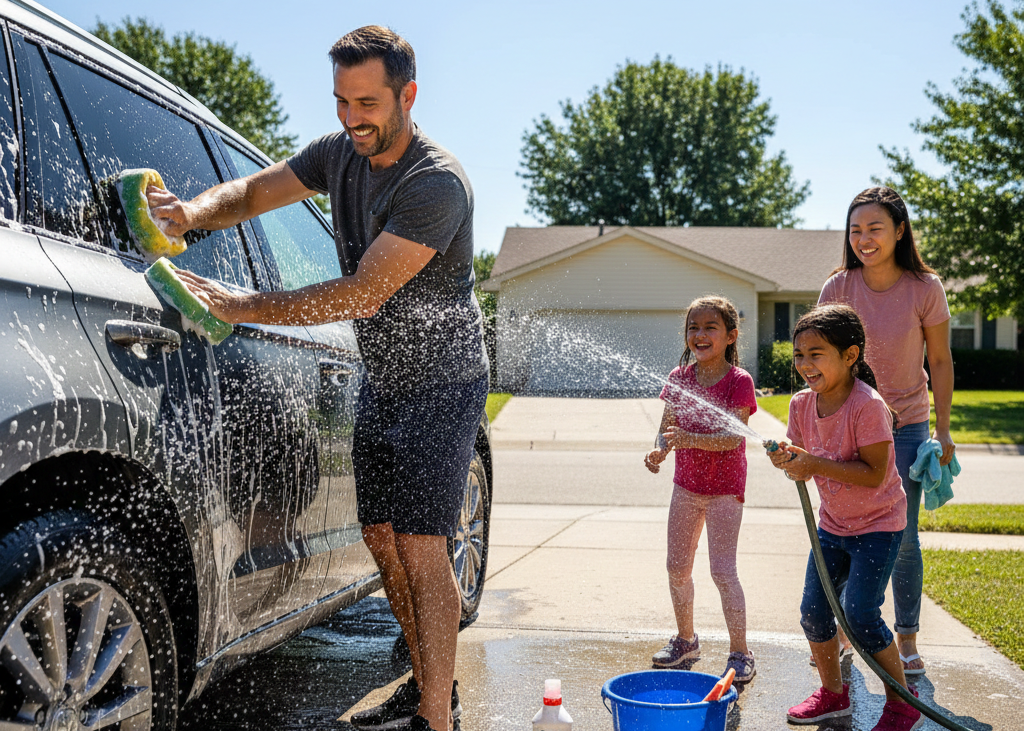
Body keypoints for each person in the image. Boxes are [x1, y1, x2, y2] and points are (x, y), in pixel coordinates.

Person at [146, 26, 487, 731]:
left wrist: (239, 306)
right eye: (341, 101)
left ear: (407, 94)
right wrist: (191, 214)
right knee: (382, 537)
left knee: (423, 543)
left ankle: (435, 721)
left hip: (444, 382)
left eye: (366, 102)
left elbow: (362, 294)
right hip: (385, 378)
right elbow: (249, 192)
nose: (351, 117)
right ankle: (430, 680)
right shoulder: (339, 153)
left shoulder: (435, 182)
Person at [818, 186, 954, 677]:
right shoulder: (838, 288)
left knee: (903, 537)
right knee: (844, 530)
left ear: (900, 231)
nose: (864, 238)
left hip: (908, 427)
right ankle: (855, 629)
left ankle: (907, 636)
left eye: (875, 228)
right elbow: (822, 361)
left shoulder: (924, 287)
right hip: (848, 425)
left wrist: (943, 430)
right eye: (856, 230)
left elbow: (939, 360)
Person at [767, 305, 921, 731]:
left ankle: (903, 702)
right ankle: (833, 695)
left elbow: (874, 475)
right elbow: (804, 457)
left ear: (850, 355)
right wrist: (789, 459)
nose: (804, 364)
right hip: (833, 526)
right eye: (799, 355)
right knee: (814, 613)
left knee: (861, 614)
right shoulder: (801, 405)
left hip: (878, 526)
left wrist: (812, 463)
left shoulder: (867, 406)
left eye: (816, 353)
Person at [644, 296, 757, 682]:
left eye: (711, 327)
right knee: (677, 567)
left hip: (726, 490)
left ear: (730, 336)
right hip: (686, 488)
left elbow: (731, 439)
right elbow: (666, 426)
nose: (700, 334)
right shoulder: (679, 378)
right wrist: (659, 450)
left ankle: (741, 653)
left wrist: (686, 438)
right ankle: (686, 640)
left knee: (723, 572)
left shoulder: (739, 382)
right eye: (694, 327)